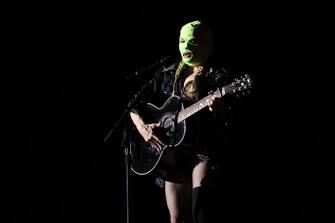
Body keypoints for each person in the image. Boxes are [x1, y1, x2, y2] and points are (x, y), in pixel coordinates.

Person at [129, 20, 246, 223]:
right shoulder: (168, 72)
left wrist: (220, 110)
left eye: (193, 42)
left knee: (202, 214)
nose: (187, 47)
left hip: (202, 151)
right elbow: (134, 105)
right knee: (176, 217)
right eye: (183, 41)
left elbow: (236, 121)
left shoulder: (216, 75)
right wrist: (143, 128)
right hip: (173, 153)